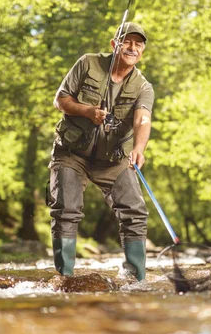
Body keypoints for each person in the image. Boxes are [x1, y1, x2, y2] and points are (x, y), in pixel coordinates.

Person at [48, 22, 154, 281]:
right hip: (72, 153)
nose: (132, 47)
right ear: (114, 44)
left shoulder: (143, 87)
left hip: (113, 159)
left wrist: (139, 148)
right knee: (66, 209)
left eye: (138, 44)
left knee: (135, 212)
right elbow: (60, 100)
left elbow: (142, 120)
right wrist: (87, 111)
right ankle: (65, 277)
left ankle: (135, 279)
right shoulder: (87, 63)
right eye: (127, 41)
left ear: (142, 51)